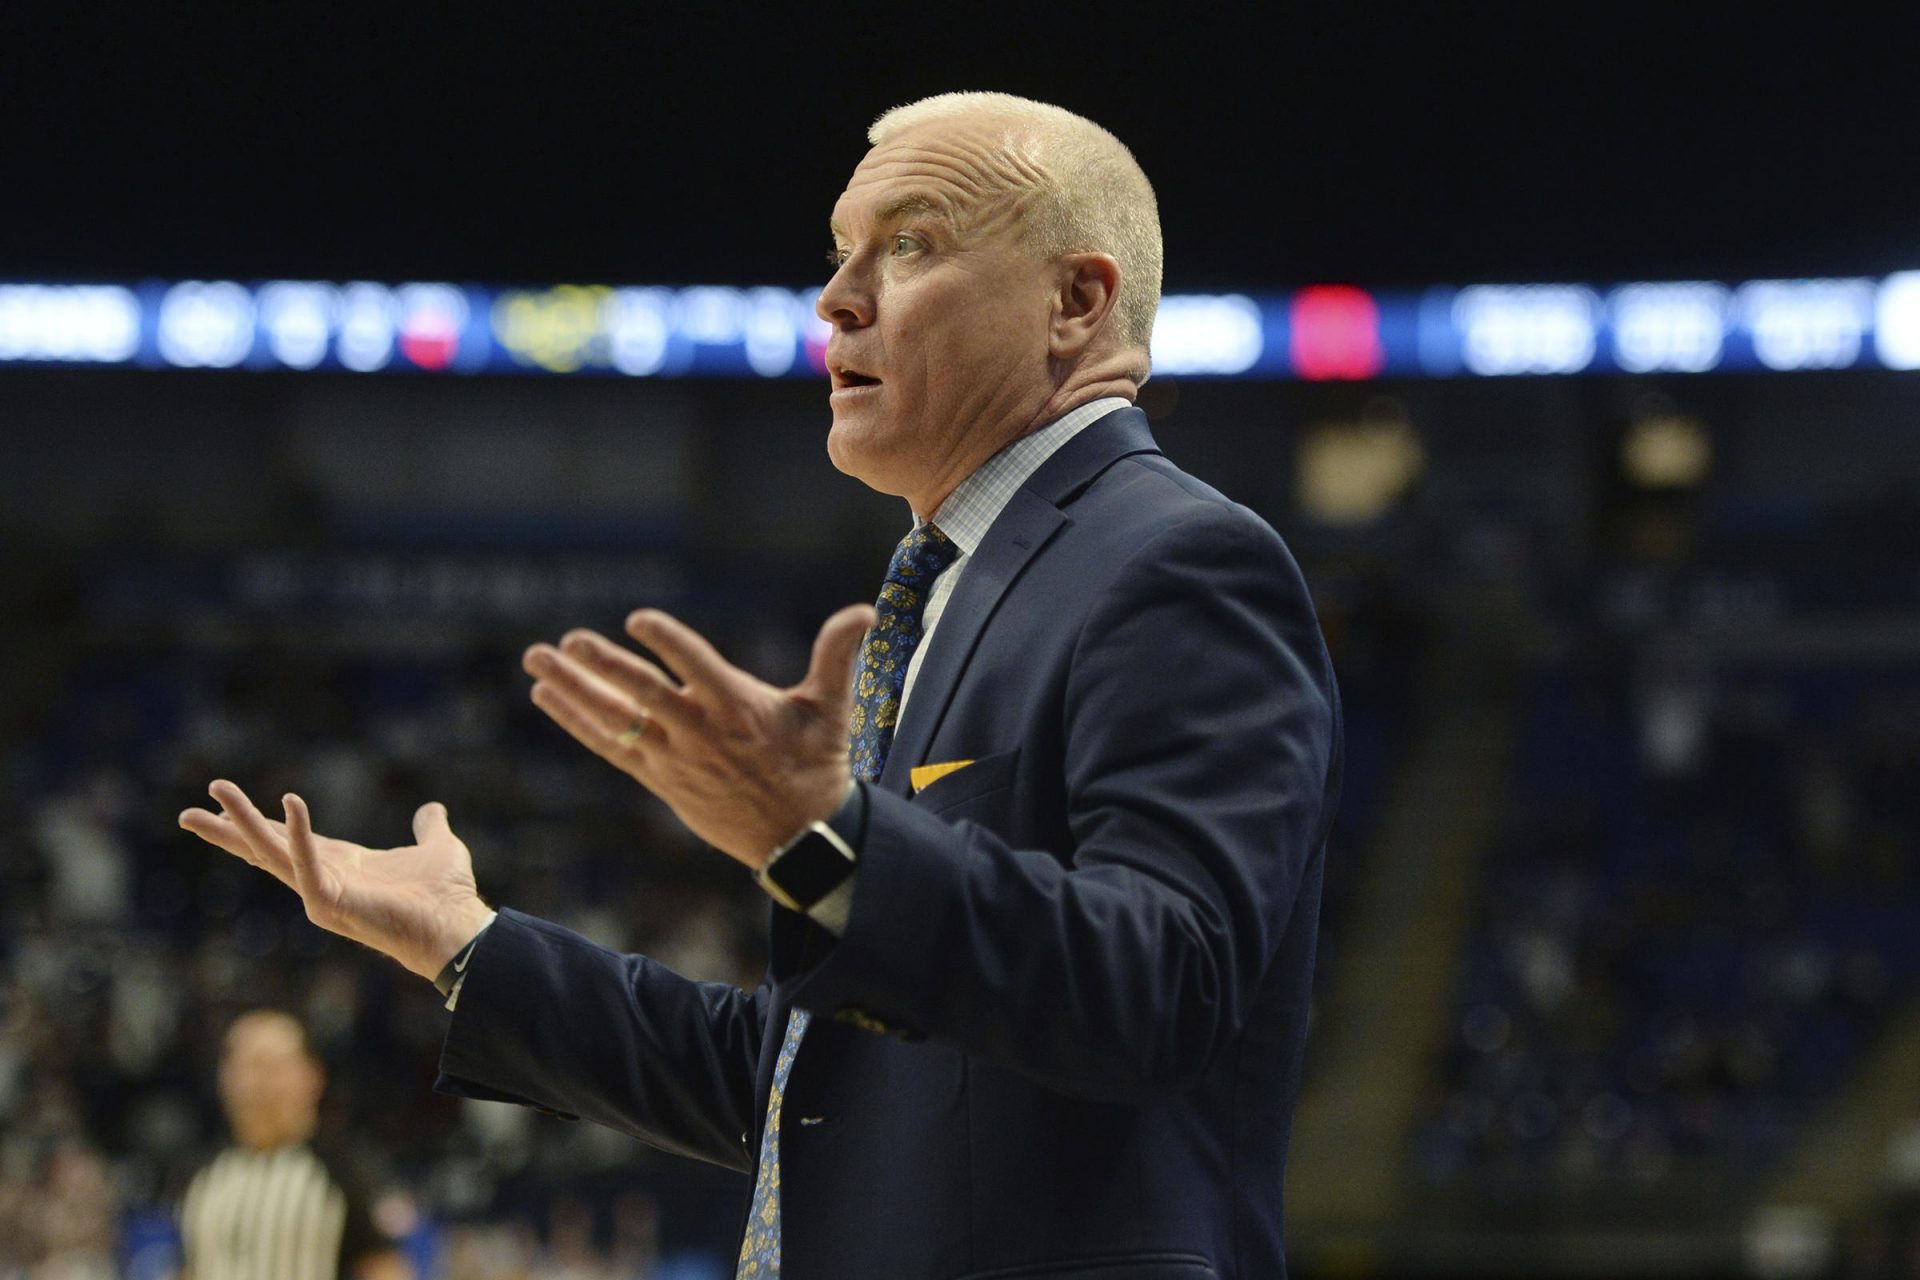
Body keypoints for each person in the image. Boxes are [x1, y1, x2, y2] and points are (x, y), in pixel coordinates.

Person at [181, 91, 1342, 1278]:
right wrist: (469, 944)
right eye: (838, 252)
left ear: (1077, 301)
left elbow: (1164, 984)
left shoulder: (1178, 560)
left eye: (909, 243)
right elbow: (813, 1080)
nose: (837, 297)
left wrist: (829, 840)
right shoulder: (956, 587)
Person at [178, 1010, 411, 1280]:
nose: (255, 1083)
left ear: (311, 1076)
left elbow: (383, 1267)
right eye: (242, 1065)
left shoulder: (343, 1171)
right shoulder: (203, 1174)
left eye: (269, 1066)